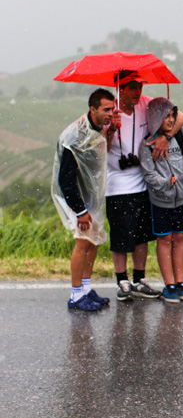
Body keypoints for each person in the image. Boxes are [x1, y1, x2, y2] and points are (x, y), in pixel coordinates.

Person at [106, 70, 183, 302]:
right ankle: (122, 280)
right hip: (117, 184)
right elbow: (102, 146)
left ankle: (139, 279)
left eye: (140, 86)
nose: (138, 91)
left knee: (142, 235)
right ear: (120, 87)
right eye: (132, 87)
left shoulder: (146, 104)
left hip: (143, 181)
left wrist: (167, 136)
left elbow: (181, 116)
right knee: (120, 235)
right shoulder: (110, 110)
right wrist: (112, 128)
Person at [139, 98, 183, 303]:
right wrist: (165, 183)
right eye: (165, 116)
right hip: (161, 201)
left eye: (172, 115)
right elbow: (149, 175)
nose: (170, 120)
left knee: (180, 239)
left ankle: (181, 283)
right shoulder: (148, 144)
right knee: (165, 239)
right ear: (155, 118)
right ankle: (169, 285)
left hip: (182, 198)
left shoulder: (181, 136)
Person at [52, 88, 115, 311]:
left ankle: (87, 289)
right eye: (106, 109)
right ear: (92, 109)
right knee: (82, 242)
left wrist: (111, 129)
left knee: (93, 241)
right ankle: (76, 294)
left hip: (92, 196)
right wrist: (80, 211)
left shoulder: (97, 128)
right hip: (76, 198)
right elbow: (65, 180)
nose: (110, 113)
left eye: (112, 108)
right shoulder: (74, 136)